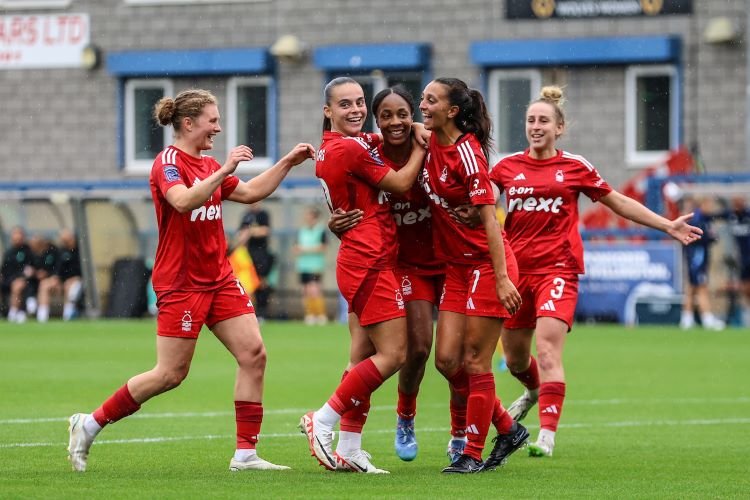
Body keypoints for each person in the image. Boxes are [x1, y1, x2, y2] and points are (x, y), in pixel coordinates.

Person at [67, 88, 315, 473]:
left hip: (218, 278)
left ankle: (245, 455)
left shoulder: (208, 164)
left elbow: (250, 192)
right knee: (170, 375)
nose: (218, 127)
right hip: (181, 284)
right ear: (188, 123)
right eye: (212, 120)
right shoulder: (167, 162)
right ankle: (89, 423)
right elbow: (182, 201)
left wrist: (288, 162)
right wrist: (224, 169)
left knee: (254, 355)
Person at [486, 85, 703, 458]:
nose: (536, 126)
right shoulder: (505, 169)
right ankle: (535, 392)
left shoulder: (575, 167)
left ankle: (546, 436)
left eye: (543, 121)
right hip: (516, 274)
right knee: (516, 358)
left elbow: (617, 201)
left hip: (558, 270)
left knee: (549, 349)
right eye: (530, 120)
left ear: (559, 128)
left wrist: (666, 225)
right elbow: (480, 210)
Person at [300, 77, 426, 474]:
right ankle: (322, 419)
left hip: (364, 259)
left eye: (359, 102)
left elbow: (378, 140)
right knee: (395, 354)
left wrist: (410, 127)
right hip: (369, 261)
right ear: (328, 112)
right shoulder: (348, 149)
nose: (355, 109)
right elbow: (402, 183)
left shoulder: (338, 146)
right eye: (345, 105)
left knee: (362, 357)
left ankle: (350, 447)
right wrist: (421, 146)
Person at [328, 85, 446, 463]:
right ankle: (344, 423)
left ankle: (347, 446)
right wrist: (336, 222)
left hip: (444, 259)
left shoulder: (424, 143)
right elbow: (368, 194)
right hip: (391, 265)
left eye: (359, 103)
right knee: (409, 350)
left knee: (453, 358)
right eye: (385, 115)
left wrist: (419, 131)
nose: (394, 121)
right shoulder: (361, 149)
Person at [418, 77, 526, 474]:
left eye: (431, 100)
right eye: (422, 99)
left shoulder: (469, 154)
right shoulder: (428, 138)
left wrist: (501, 278)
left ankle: (473, 453)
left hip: (486, 265)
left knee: (476, 362)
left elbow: (490, 221)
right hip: (457, 268)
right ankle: (508, 427)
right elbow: (400, 131)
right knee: (446, 361)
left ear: (452, 111)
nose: (422, 106)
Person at [679, 196, 725, 330]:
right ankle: (707, 318)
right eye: (709, 204)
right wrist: (710, 237)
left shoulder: (703, 218)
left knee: (692, 288)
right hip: (696, 257)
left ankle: (687, 318)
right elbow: (705, 237)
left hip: (696, 256)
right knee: (701, 287)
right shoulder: (698, 219)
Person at [235, 202, 274, 320]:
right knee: (250, 284)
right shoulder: (246, 215)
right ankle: (251, 312)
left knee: (262, 282)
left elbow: (266, 230)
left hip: (261, 254)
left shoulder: (263, 214)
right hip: (249, 255)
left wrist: (251, 232)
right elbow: (241, 234)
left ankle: (262, 313)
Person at [36, 229, 83, 322]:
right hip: (61, 281)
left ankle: (68, 315)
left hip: (76, 281)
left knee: (69, 286)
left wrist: (74, 278)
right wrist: (55, 277)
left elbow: (83, 271)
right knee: (44, 284)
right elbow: (57, 268)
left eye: (67, 240)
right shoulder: (61, 251)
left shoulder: (80, 251)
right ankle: (42, 317)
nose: (65, 243)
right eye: (63, 241)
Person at [294, 205, 328, 325]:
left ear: (315, 217)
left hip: (315, 265)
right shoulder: (302, 230)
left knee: (314, 290)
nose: (307, 218)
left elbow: (323, 247)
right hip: (303, 265)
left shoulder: (321, 230)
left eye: (310, 216)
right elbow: (296, 247)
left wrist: (305, 249)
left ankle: (321, 315)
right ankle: (309, 315)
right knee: (305, 291)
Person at [1, 226, 33, 323]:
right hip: (8, 279)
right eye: (15, 234)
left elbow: (30, 269)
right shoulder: (8, 252)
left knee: (17, 285)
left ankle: (13, 313)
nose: (17, 237)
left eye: (19, 234)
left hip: (24, 281)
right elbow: (4, 269)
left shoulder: (28, 251)